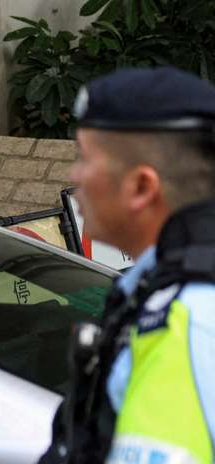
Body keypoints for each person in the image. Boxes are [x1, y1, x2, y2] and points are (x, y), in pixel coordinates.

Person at [40, 67, 215, 464]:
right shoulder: (158, 284)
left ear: (141, 187)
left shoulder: (182, 319)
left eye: (84, 158)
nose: (74, 176)